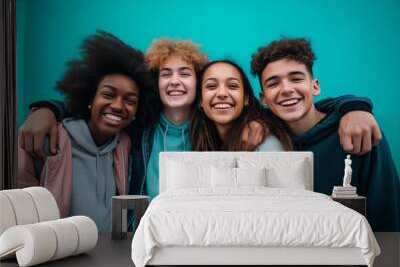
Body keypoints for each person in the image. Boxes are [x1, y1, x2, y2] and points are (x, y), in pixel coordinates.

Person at [20, 39, 382, 200]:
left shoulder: (239, 131)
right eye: (165, 74)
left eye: (186, 74)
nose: (175, 81)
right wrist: (48, 108)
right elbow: (100, 103)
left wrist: (354, 106)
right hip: (137, 235)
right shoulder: (137, 127)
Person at [250, 37, 400, 231]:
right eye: (273, 84)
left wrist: (355, 106)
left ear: (315, 86)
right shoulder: (263, 136)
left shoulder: (358, 129)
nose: (286, 89)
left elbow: (386, 209)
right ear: (263, 99)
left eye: (296, 79)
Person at [17, 31, 152, 232]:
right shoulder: (47, 137)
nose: (117, 105)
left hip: (108, 256)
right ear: (90, 98)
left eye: (130, 101)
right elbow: (17, 205)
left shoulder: (125, 145)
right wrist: (46, 109)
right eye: (108, 94)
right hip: (55, 254)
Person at [191, 60, 292, 151]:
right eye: (211, 86)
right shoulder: (199, 138)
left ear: (246, 98)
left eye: (232, 86)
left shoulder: (264, 144)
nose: (222, 93)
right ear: (200, 100)